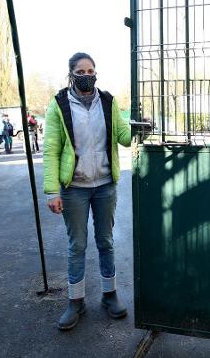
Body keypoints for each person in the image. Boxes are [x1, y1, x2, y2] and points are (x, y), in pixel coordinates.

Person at [43, 52, 131, 331]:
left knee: (105, 241)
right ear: (71, 74)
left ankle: (109, 295)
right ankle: (75, 301)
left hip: (105, 185)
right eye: (80, 71)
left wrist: (141, 127)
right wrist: (51, 191)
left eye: (90, 70)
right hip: (75, 189)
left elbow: (124, 138)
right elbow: (51, 150)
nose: (86, 75)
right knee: (76, 246)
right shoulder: (59, 105)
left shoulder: (108, 101)